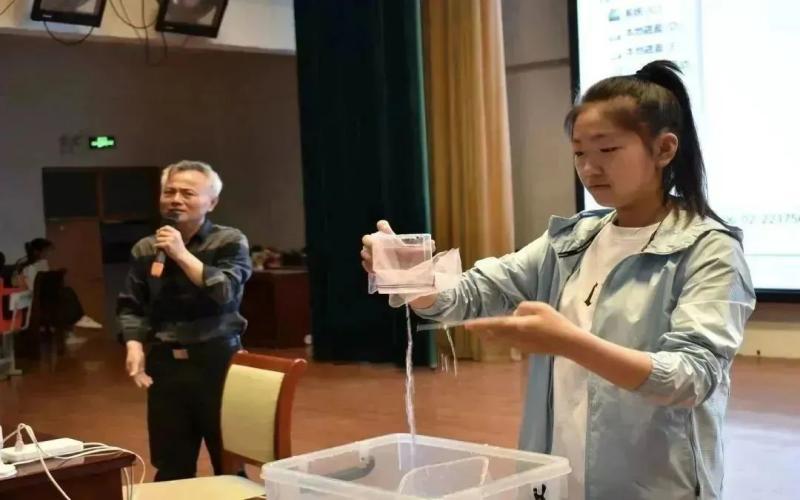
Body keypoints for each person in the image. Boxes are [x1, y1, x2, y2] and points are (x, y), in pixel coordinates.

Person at [361, 60, 755, 500]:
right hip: (556, 477)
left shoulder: (709, 249)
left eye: (607, 150)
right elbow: (472, 293)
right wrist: (411, 276)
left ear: (664, 150)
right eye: (579, 153)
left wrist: (569, 342)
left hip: (654, 485)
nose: (590, 168)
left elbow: (693, 377)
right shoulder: (573, 240)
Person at [118, 160, 252, 481]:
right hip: (165, 366)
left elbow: (225, 292)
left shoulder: (229, 241)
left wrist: (180, 254)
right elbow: (131, 305)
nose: (176, 199)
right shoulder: (146, 248)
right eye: (169, 192)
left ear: (211, 202)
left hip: (218, 362)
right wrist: (134, 346)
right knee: (171, 465)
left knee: (229, 463)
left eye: (188, 193)